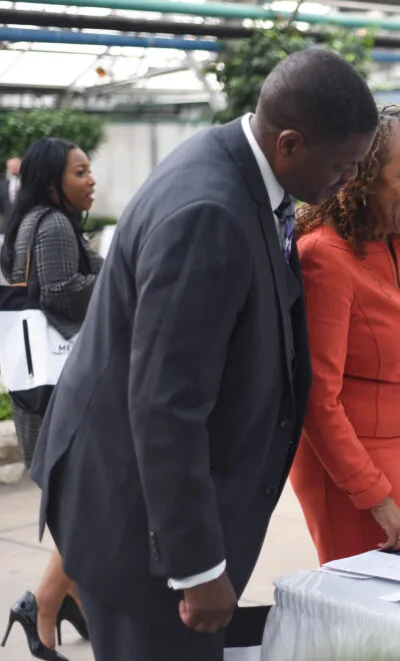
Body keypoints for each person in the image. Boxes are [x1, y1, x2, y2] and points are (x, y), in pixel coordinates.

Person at [28, 49, 378, 661]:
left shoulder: (241, 168)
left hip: (147, 500)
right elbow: (166, 404)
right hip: (139, 521)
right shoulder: (209, 214)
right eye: (345, 166)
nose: (348, 181)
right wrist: (196, 567)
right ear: (291, 144)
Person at [289, 105, 400, 562]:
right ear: (362, 178)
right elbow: (317, 399)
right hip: (351, 468)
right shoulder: (323, 258)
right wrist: (376, 499)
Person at [0, 139, 100, 661]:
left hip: (35, 384)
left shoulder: (28, 223)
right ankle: (43, 601)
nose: (91, 180)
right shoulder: (56, 224)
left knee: (75, 504)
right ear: (50, 181)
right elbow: (62, 291)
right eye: (80, 172)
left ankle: (64, 601)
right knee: (85, 504)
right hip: (62, 388)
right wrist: (116, 278)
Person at [1, 156, 22, 234]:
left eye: (15, 166)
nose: (13, 168)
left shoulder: (27, 184)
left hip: (22, 226)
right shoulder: (2, 185)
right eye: (11, 166)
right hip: (6, 228)